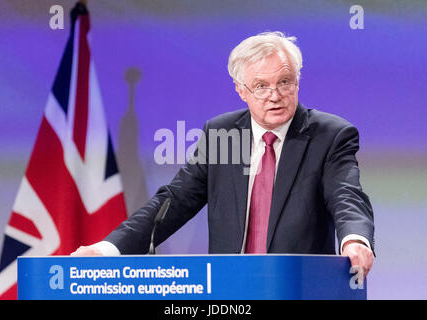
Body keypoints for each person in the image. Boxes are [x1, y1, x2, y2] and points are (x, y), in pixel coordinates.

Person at [72, 31, 375, 279]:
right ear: (241, 91)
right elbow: (174, 202)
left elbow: (347, 195)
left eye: (284, 82)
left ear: (297, 80)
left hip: (297, 286)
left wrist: (354, 239)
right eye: (260, 86)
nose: (275, 94)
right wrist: (108, 249)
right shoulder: (221, 133)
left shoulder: (331, 135)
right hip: (228, 290)